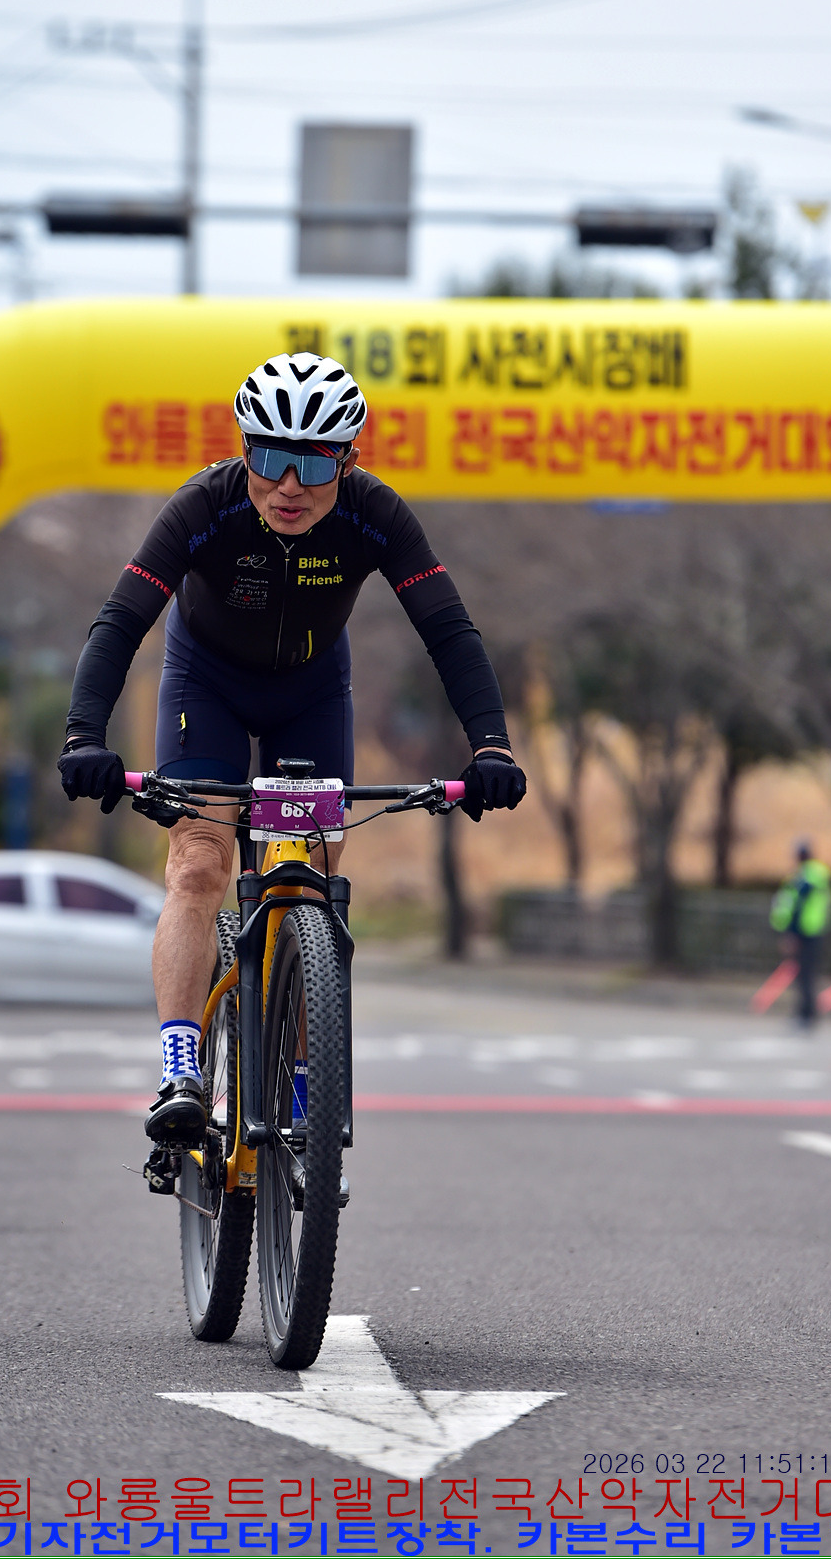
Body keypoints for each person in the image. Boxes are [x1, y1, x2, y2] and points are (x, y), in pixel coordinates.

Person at [58, 352, 526, 1146]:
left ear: (348, 460)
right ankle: (180, 1068)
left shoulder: (376, 514)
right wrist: (83, 736)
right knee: (199, 863)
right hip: (205, 685)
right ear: (244, 450)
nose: (288, 485)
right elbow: (122, 620)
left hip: (311, 694)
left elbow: (448, 630)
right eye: (269, 458)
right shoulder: (203, 506)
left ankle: (307, 1084)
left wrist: (492, 748)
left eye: (312, 464)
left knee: (312, 879)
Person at [769, 839, 831, 1028]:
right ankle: (806, 1013)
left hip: (805, 931)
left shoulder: (805, 877)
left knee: (804, 976)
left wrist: (791, 933)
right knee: (806, 975)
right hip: (814, 929)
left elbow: (797, 907)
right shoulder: (816, 874)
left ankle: (806, 1015)